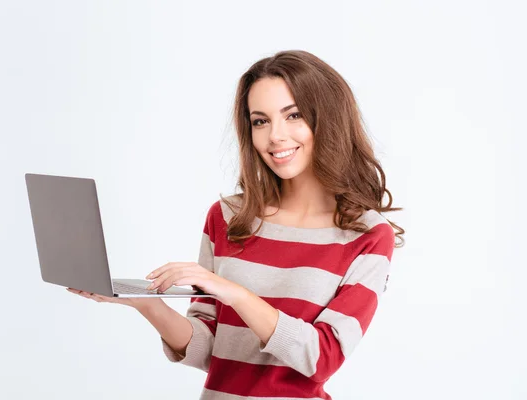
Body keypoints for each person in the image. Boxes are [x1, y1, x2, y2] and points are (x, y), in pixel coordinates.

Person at [68, 50, 405, 400]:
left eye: (294, 115)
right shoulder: (228, 217)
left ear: (330, 120)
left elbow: (321, 358)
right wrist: (146, 303)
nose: (275, 136)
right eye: (260, 121)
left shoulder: (366, 236)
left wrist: (234, 292)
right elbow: (209, 350)